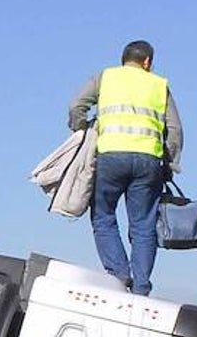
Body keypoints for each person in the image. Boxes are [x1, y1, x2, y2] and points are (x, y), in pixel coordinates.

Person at [68, 39, 183, 296]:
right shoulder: (158, 85)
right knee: (143, 224)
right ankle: (141, 286)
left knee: (103, 215)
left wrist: (81, 130)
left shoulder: (105, 78)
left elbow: (76, 106)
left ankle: (119, 276)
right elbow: (175, 130)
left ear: (124, 59)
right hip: (148, 162)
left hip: (110, 157)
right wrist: (169, 163)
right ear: (147, 62)